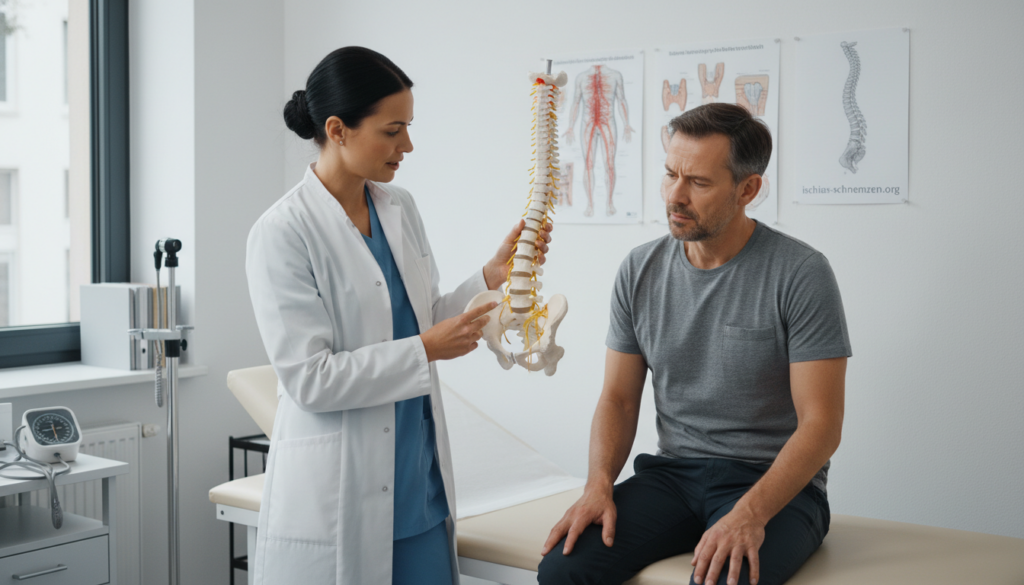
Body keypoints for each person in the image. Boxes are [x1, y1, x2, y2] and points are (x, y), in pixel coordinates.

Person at [245, 47, 551, 585]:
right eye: (392, 130)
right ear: (337, 129)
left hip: (419, 485)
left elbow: (424, 316)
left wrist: (488, 277)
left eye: (407, 128)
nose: (407, 145)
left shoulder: (399, 206)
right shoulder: (282, 232)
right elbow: (309, 380)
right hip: (341, 492)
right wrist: (425, 349)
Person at [537, 103, 851, 585]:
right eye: (670, 175)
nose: (675, 196)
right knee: (563, 570)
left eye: (699, 183)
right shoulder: (639, 270)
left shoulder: (800, 274)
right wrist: (598, 486)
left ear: (748, 189)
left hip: (773, 484)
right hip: (673, 476)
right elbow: (619, 400)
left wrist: (749, 514)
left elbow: (821, 425)